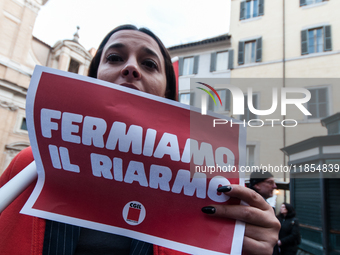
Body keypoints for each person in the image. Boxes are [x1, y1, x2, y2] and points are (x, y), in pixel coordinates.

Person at [0, 24, 280, 255]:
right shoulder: (29, 164)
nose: (130, 68)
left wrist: (253, 247)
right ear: (93, 78)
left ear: (167, 93)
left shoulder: (208, 184)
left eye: (148, 63)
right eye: (114, 58)